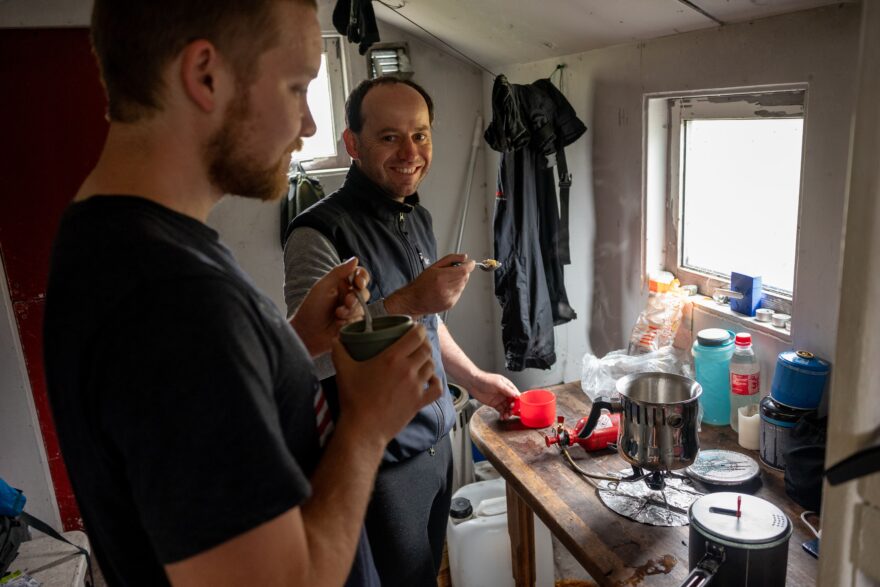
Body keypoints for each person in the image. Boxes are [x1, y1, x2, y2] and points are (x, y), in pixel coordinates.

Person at [43, 2, 441, 586]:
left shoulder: (111, 238)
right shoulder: (173, 302)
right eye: (297, 87)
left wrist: (293, 341)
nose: (308, 124)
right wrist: (367, 428)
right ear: (205, 75)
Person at [284, 77, 520, 586]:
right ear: (353, 143)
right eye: (389, 137)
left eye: (421, 135)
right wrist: (410, 300)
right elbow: (308, 355)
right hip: (379, 466)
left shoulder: (417, 217)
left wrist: (476, 380)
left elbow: (427, 325)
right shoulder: (318, 232)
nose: (411, 153)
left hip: (435, 444)